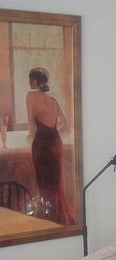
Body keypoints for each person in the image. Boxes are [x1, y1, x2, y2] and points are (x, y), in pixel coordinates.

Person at [26, 67, 74, 225]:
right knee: (56, 183)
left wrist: (37, 135)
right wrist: (52, 132)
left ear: (34, 81)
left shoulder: (30, 96)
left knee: (44, 183)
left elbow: (31, 130)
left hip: (41, 145)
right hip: (55, 142)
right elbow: (67, 125)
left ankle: (47, 219)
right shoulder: (53, 99)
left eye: (30, 79)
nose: (29, 82)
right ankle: (59, 217)